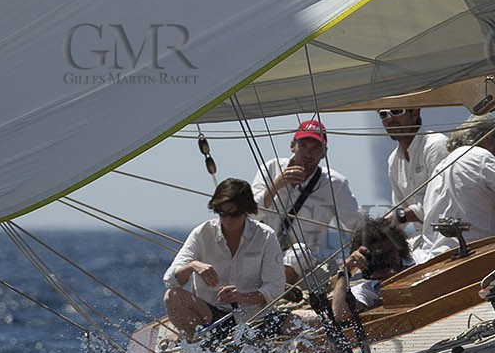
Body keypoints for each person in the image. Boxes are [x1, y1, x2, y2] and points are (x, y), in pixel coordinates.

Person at [163, 178, 286, 338]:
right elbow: (171, 280)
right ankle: (199, 345)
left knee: (310, 322)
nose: (227, 220)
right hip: (212, 320)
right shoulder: (202, 233)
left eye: (234, 214)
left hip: (255, 321)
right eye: (222, 213)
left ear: (246, 210)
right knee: (172, 297)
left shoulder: (265, 236)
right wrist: (193, 266)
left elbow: (275, 288)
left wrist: (241, 297)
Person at [251, 119, 360, 287]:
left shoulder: (335, 183)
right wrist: (277, 184)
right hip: (261, 249)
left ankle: (277, 293)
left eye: (316, 148)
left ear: (324, 152)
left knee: (300, 252)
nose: (308, 155)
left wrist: (356, 253)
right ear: (292, 146)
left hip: (300, 261)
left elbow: (357, 224)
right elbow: (251, 212)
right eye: (303, 146)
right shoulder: (271, 168)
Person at [415, 113, 495, 260]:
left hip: (435, 257)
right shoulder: (479, 155)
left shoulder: (441, 166)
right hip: (474, 254)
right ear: (486, 138)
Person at [321, 217, 415, 320]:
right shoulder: (367, 291)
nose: (383, 261)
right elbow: (339, 314)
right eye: (375, 256)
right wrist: (345, 270)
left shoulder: (421, 261)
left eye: (388, 253)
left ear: (400, 250)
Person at [380, 107, 447, 227]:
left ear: (415, 112)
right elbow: (399, 208)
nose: (389, 119)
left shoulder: (436, 145)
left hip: (448, 235)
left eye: (396, 111)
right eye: (383, 114)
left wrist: (400, 216)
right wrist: (375, 231)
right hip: (422, 239)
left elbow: (441, 200)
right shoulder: (393, 160)